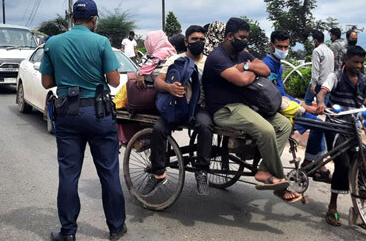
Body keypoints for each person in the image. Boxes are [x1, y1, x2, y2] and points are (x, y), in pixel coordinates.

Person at [40, 0, 127, 241]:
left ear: (72, 18)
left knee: (68, 173)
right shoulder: (101, 42)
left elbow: (46, 83)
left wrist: (68, 79)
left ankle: (68, 232)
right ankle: (116, 228)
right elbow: (114, 81)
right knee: (109, 172)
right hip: (98, 114)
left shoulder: (54, 43)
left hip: (68, 113)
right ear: (94, 19)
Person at [203, 17, 300, 202]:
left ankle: (264, 170)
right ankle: (280, 182)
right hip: (224, 110)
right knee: (266, 130)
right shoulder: (217, 57)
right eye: (242, 37)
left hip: (245, 105)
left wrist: (245, 66)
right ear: (230, 36)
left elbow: (264, 69)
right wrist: (249, 71)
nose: (245, 41)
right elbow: (243, 80)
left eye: (247, 37)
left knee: (284, 125)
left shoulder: (241, 55)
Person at [141, 25, 214, 196]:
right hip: (176, 106)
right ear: (186, 41)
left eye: (202, 39)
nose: (199, 42)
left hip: (198, 107)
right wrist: (169, 87)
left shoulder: (210, 62)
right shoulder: (175, 59)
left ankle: (202, 171)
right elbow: (158, 81)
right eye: (195, 39)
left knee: (205, 126)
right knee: (158, 129)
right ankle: (158, 173)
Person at [315, 46, 366, 227]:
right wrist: (320, 103)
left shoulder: (365, 80)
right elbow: (322, 92)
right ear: (346, 61)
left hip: (354, 126)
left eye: (362, 63)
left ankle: (359, 212)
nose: (359, 65)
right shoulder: (335, 76)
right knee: (343, 163)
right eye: (355, 62)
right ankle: (332, 207)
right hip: (335, 125)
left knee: (364, 164)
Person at [262, 31, 330, 182]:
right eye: (280, 46)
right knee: (318, 123)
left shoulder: (278, 64)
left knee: (321, 124)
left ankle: (312, 162)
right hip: (275, 107)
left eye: (286, 47)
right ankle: (309, 163)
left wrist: (304, 105)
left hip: (283, 102)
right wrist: (304, 105)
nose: (284, 50)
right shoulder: (267, 64)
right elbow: (275, 94)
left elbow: (282, 92)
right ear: (271, 45)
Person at [304, 31, 335, 106]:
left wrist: (313, 84)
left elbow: (316, 68)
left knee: (308, 100)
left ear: (315, 40)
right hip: (328, 82)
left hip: (319, 82)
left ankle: (312, 116)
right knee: (324, 103)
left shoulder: (317, 51)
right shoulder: (330, 51)